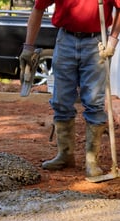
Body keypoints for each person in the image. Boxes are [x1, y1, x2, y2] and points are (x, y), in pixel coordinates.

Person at [20, 0, 120, 178]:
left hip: (97, 42)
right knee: (61, 100)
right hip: (65, 39)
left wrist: (112, 41)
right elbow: (38, 8)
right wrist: (28, 47)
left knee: (93, 102)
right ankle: (65, 155)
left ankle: (92, 161)